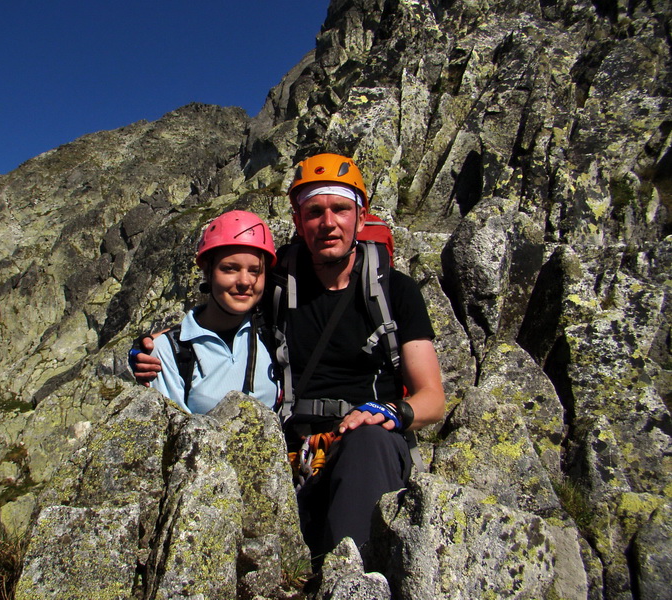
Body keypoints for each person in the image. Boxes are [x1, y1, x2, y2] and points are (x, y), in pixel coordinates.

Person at [133, 153, 445, 562]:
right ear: (299, 221)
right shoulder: (278, 286)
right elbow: (225, 313)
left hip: (371, 443)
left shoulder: (394, 291)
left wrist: (389, 413)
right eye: (314, 211)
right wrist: (156, 347)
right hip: (293, 453)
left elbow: (432, 399)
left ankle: (349, 578)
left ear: (360, 215)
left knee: (366, 445)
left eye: (341, 209)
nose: (328, 222)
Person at [148, 210, 279, 414]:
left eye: (255, 271)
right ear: (208, 273)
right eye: (230, 269)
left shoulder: (273, 333)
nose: (244, 281)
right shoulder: (169, 352)